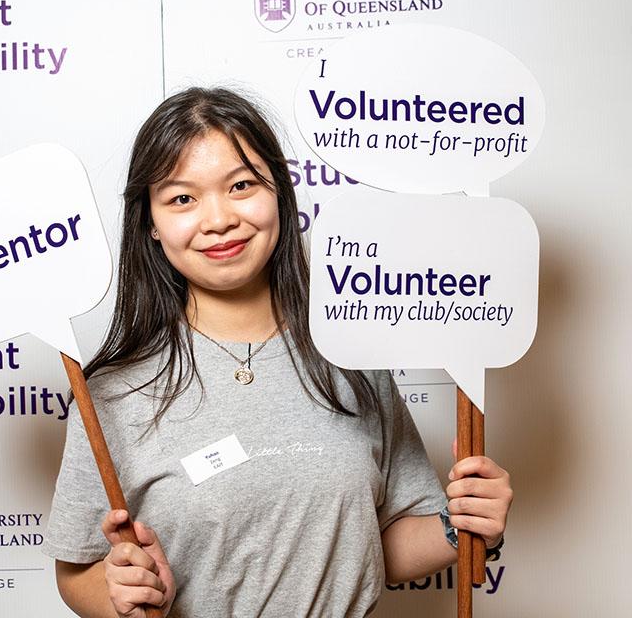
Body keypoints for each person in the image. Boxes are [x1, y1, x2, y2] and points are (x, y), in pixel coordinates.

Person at [42, 87, 513, 617]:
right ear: (150, 222)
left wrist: (465, 524)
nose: (218, 219)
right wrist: (125, 594)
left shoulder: (350, 355)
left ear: (280, 197)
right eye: (182, 198)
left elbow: (378, 547)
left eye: (241, 185)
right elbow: (77, 574)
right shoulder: (110, 393)